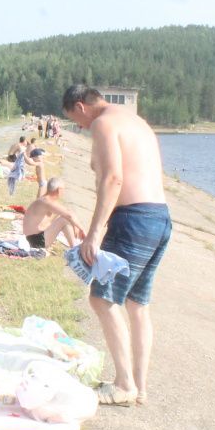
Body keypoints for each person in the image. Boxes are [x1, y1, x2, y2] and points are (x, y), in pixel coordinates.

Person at [63, 84, 172, 407]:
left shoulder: (102, 123)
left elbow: (113, 179)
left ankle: (124, 384)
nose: (82, 129)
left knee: (102, 299)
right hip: (159, 217)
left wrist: (95, 233)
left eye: (76, 121)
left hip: (134, 219)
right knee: (137, 305)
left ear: (81, 107)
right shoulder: (133, 120)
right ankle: (139, 385)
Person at [23, 177, 86, 252]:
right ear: (59, 190)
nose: (64, 192)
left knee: (64, 217)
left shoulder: (45, 200)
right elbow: (69, 215)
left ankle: (75, 247)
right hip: (35, 241)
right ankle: (75, 250)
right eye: (64, 189)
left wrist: (74, 225)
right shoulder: (47, 201)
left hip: (33, 238)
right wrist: (82, 229)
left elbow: (67, 211)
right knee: (64, 219)